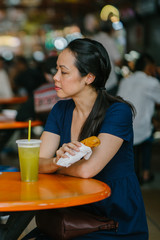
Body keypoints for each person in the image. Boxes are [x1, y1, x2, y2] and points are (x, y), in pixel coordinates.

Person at [27, 38, 148, 239]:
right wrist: (56, 161)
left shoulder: (118, 112)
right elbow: (35, 163)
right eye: (56, 70)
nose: (55, 77)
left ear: (89, 77)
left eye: (64, 72)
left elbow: (87, 170)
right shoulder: (60, 110)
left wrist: (55, 165)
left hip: (114, 220)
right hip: (73, 214)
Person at [117, 53, 160, 184]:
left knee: (132, 148)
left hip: (121, 124)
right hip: (139, 125)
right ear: (150, 67)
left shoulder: (125, 80)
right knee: (147, 139)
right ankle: (145, 173)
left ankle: (133, 174)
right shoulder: (151, 82)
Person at [15, 56, 59, 122]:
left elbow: (21, 116)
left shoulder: (39, 93)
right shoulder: (74, 91)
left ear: (45, 74)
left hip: (48, 130)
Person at [91, 20, 122, 95]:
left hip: (94, 83)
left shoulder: (93, 39)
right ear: (111, 30)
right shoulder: (109, 40)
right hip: (109, 82)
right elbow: (118, 61)